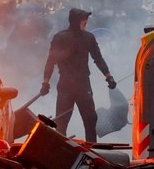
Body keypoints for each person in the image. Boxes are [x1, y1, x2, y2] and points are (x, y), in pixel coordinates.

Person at [39, 8, 116, 143]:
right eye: (84, 20)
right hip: (71, 86)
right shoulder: (65, 38)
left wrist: (108, 76)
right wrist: (45, 82)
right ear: (76, 21)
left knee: (88, 120)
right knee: (65, 122)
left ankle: (89, 149)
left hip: (78, 85)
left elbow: (98, 58)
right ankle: (63, 149)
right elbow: (51, 61)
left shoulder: (86, 38)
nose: (86, 22)